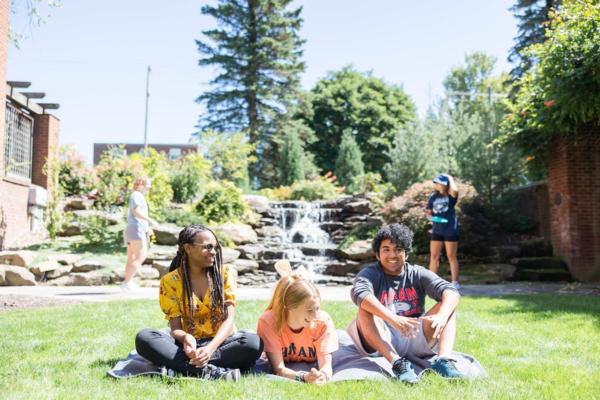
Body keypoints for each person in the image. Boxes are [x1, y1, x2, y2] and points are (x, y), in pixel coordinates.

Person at [135, 224, 263, 380]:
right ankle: (209, 371)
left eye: (215, 247)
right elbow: (175, 329)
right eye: (208, 247)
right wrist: (185, 338)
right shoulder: (170, 281)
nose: (213, 252)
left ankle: (182, 367)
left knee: (253, 343)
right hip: (188, 346)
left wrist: (209, 350)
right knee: (144, 338)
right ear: (188, 248)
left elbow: (229, 320)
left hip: (221, 343)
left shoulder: (224, 273)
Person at [347, 223, 463, 384]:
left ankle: (443, 361)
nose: (392, 254)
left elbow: (451, 290)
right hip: (382, 338)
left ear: (406, 254)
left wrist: (442, 316)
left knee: (448, 307)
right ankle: (398, 364)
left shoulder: (417, 273)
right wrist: (393, 319)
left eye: (398, 249)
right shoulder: (369, 273)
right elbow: (359, 294)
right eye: (386, 249)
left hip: (414, 333)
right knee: (365, 309)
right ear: (378, 255)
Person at [257, 262, 338, 385]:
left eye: (317, 308)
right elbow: (278, 369)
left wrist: (322, 377)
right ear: (290, 307)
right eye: (309, 310)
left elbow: (326, 367)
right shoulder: (268, 321)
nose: (315, 316)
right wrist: (304, 377)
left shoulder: (322, 322)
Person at [425, 173, 460, 289]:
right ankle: (431, 282)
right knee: (434, 256)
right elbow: (428, 213)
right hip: (437, 230)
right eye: (436, 182)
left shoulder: (451, 197)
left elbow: (455, 190)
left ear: (445, 185)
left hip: (450, 230)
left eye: (439, 183)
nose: (436, 184)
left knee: (451, 256)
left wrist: (450, 178)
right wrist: (432, 218)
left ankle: (455, 283)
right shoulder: (433, 197)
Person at [121, 176, 157, 291]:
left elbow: (135, 215)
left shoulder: (135, 195)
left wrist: (147, 228)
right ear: (141, 185)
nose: (149, 187)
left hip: (133, 229)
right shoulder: (137, 195)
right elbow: (136, 212)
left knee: (131, 257)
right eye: (148, 185)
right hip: (136, 229)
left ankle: (127, 282)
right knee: (141, 256)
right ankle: (126, 282)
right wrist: (150, 220)